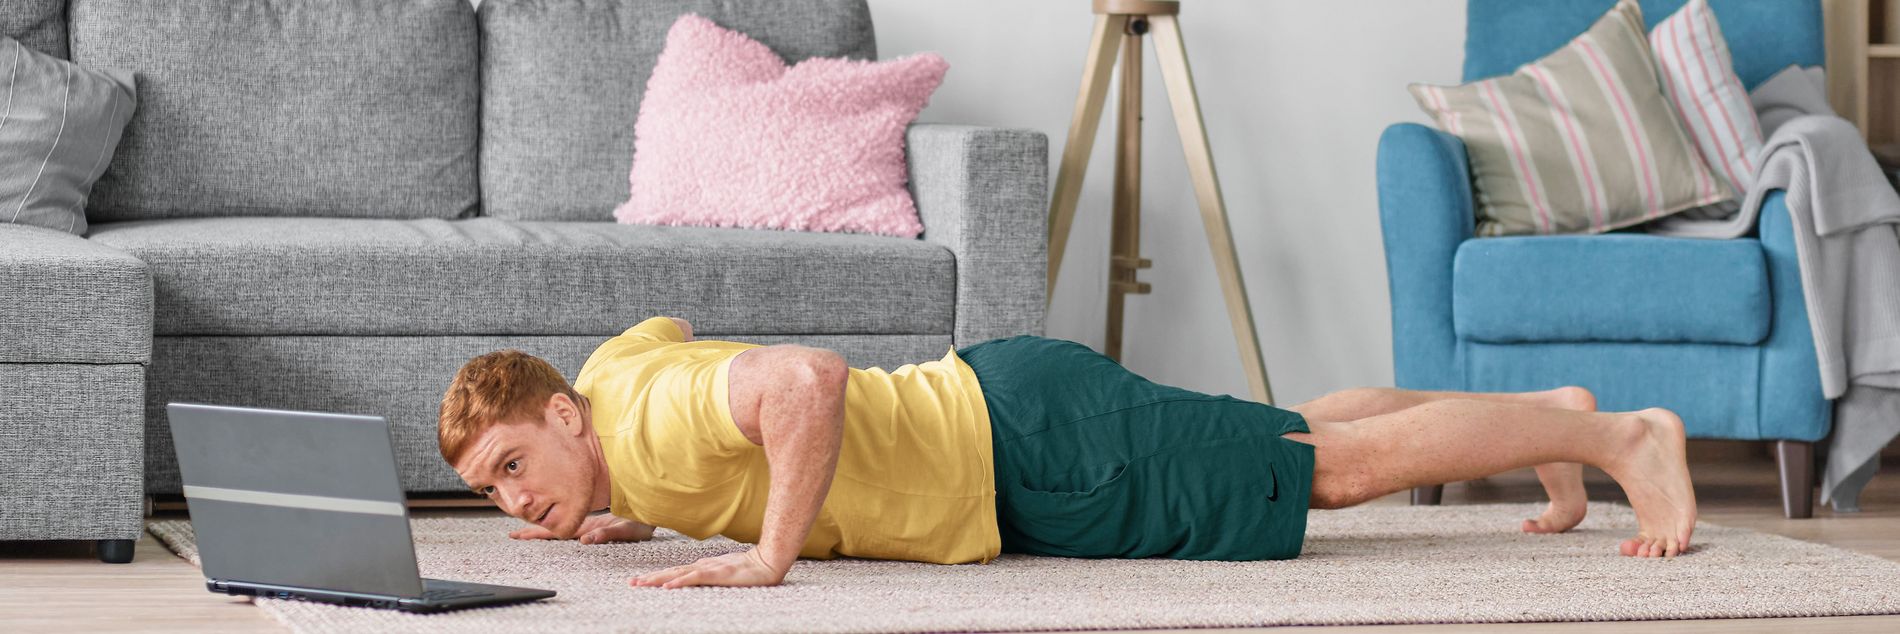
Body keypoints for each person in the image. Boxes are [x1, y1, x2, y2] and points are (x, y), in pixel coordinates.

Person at [437, 316, 1697, 590]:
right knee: (1292, 426)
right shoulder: (615, 390)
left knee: (1325, 469)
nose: (511, 495)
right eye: (487, 491)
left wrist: (767, 558)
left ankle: (1620, 432)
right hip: (1013, 416)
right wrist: (631, 516)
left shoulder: (639, 415)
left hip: (1026, 446)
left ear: (562, 417)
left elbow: (804, 383)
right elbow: (701, 417)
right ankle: (1552, 407)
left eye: (508, 463)